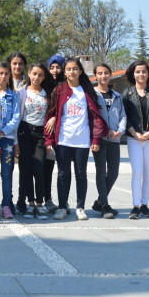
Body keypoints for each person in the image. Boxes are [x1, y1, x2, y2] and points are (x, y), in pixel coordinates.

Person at [44, 58, 107, 220]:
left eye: (75, 69)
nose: (72, 72)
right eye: (69, 69)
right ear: (64, 73)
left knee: (81, 174)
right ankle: (62, 206)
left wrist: (96, 140)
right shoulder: (58, 90)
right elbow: (51, 116)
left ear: (80, 71)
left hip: (82, 140)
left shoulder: (87, 91)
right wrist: (49, 140)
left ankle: (80, 207)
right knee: (63, 174)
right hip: (64, 139)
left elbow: (96, 118)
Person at [122, 59, 149, 220]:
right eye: (138, 71)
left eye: (144, 71)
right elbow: (125, 117)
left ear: (148, 74)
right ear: (133, 74)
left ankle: (145, 205)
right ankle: (135, 207)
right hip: (135, 139)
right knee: (137, 172)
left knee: (148, 173)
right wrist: (135, 134)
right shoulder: (127, 93)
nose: (141, 74)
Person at [16, 63, 55, 220]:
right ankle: (30, 204)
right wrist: (15, 141)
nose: (36, 77)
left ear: (44, 77)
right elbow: (17, 115)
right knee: (26, 169)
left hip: (41, 134)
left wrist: (52, 117)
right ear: (29, 74)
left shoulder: (48, 95)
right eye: (34, 74)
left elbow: (54, 111)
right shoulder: (21, 93)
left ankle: (40, 204)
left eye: (40, 75)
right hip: (24, 131)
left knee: (39, 168)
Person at [0, 61, 21, 220]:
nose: (4, 76)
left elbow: (15, 119)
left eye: (7, 73)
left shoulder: (13, 96)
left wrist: (1, 133)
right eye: (1, 73)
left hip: (6, 139)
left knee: (6, 174)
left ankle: (6, 205)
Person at [91, 62, 126, 219]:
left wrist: (120, 130)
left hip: (114, 139)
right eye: (100, 73)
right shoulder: (92, 95)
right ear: (95, 76)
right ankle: (104, 206)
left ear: (110, 75)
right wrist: (103, 132)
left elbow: (123, 115)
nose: (103, 76)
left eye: (106, 73)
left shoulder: (117, 96)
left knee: (113, 172)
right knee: (100, 173)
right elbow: (92, 118)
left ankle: (99, 201)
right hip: (99, 139)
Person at [41, 54, 65, 214]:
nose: (55, 70)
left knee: (63, 169)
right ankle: (47, 199)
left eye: (58, 67)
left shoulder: (66, 85)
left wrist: (56, 116)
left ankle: (63, 201)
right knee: (46, 168)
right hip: (46, 133)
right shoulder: (44, 85)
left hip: (63, 133)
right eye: (52, 67)